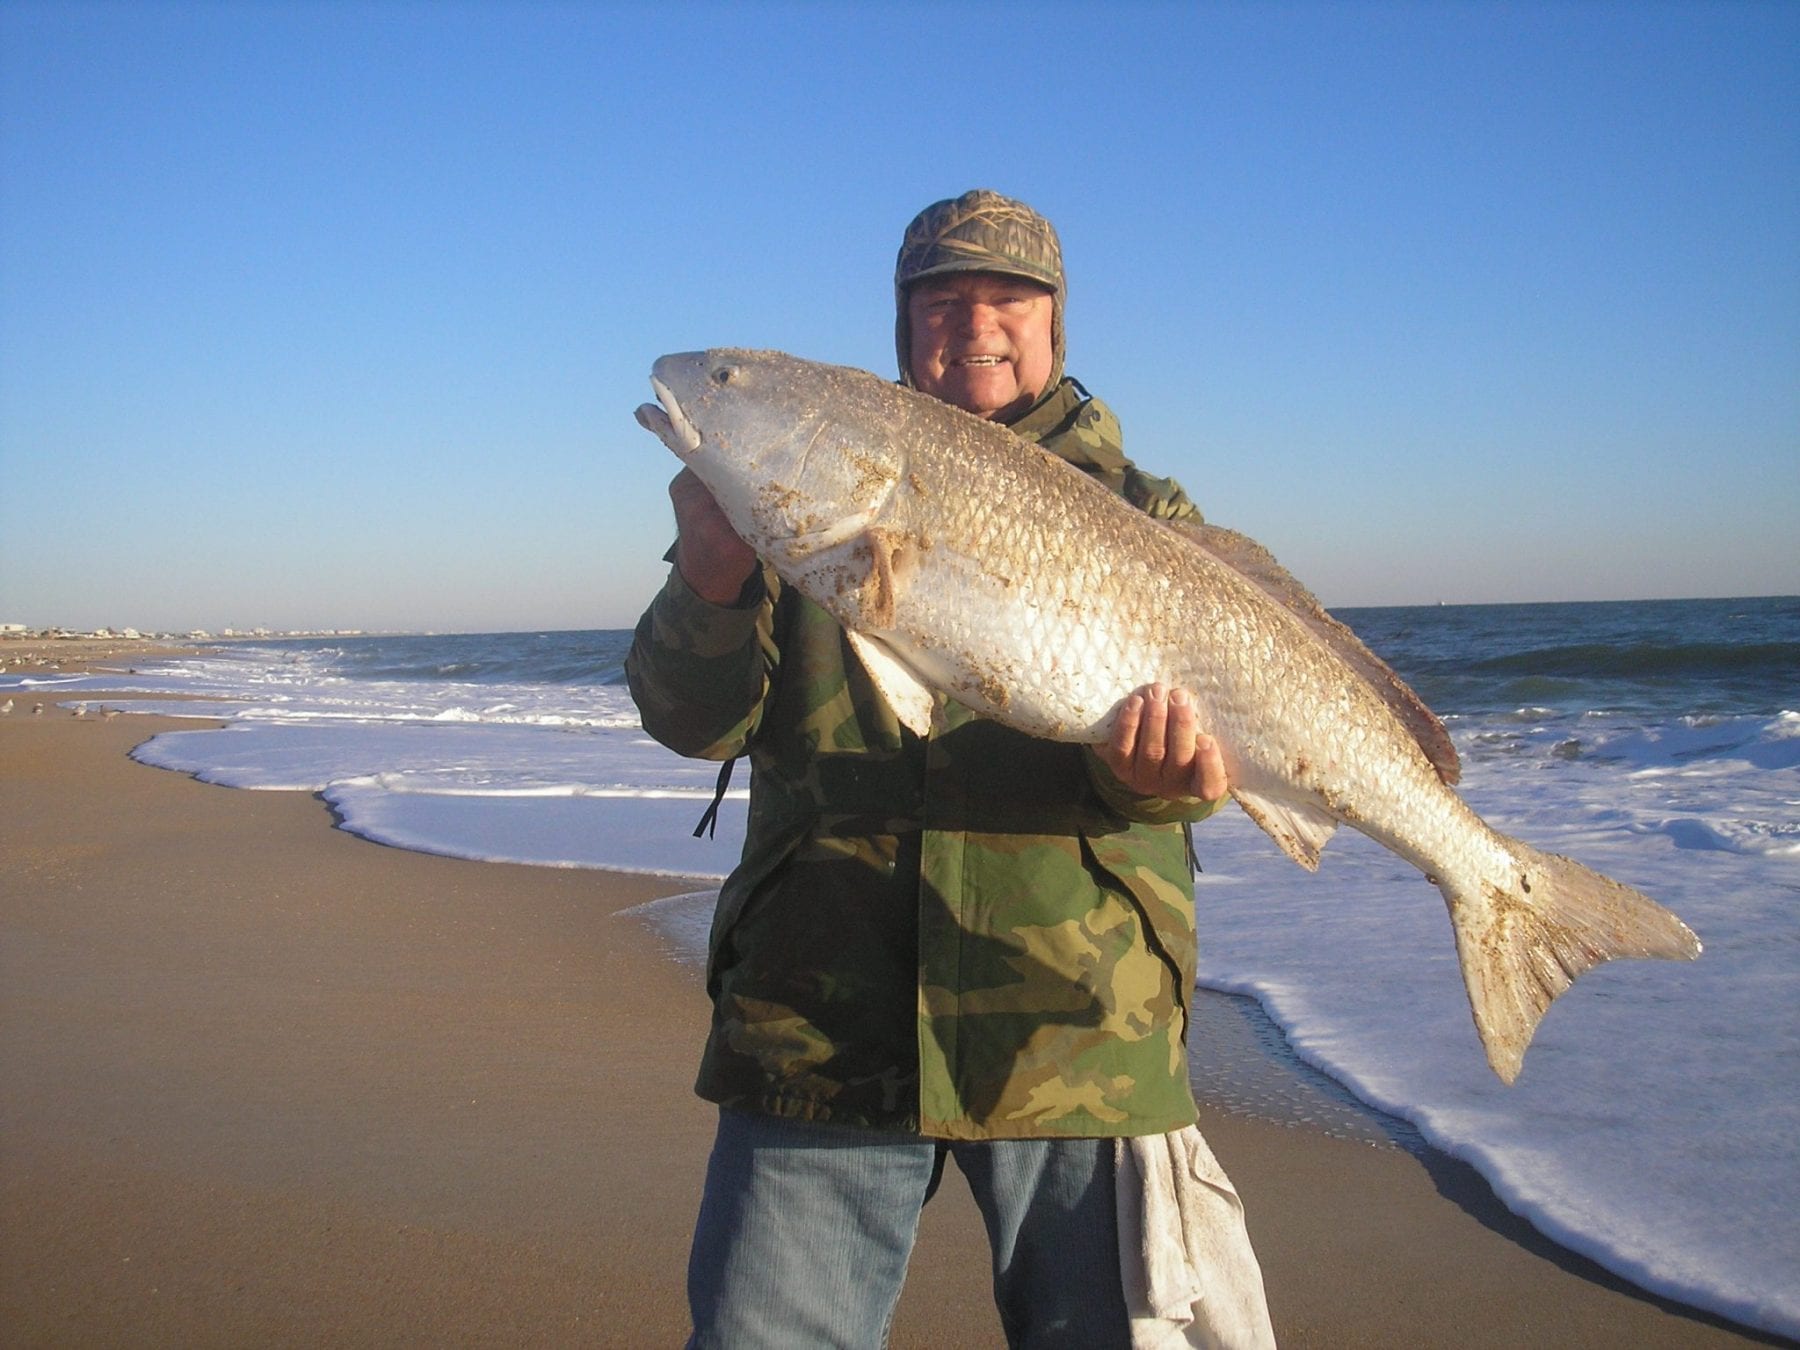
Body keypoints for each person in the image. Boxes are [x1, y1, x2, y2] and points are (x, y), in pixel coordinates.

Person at [627, 189, 1231, 1349]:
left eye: (1010, 297)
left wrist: (1162, 778)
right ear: (903, 331)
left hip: (1074, 1029)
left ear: (1059, 323)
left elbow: (1172, 784)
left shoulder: (1151, 518)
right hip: (819, 1024)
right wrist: (706, 578)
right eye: (942, 301)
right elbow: (689, 721)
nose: (978, 324)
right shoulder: (795, 497)